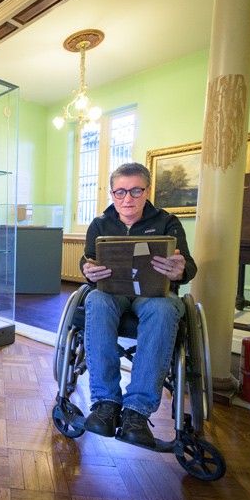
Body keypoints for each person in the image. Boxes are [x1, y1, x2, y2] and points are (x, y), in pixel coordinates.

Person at [80, 162, 197, 448]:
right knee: (95, 298)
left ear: (147, 191)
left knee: (166, 308)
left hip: (153, 294)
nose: (127, 199)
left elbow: (188, 267)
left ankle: (136, 413)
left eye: (135, 190)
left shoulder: (167, 222)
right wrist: (87, 269)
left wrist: (179, 271)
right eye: (119, 192)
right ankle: (106, 403)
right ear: (111, 193)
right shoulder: (99, 224)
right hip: (113, 293)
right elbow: (88, 260)